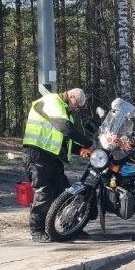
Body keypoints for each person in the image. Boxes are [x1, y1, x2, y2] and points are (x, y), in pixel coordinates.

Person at [22, 88, 96, 242]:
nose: (77, 109)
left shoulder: (64, 111)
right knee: (44, 193)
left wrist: (81, 149)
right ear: (72, 96)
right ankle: (36, 232)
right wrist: (89, 143)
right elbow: (65, 128)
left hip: (51, 157)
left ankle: (71, 227)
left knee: (64, 192)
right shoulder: (52, 101)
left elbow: (63, 141)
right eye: (78, 105)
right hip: (37, 154)